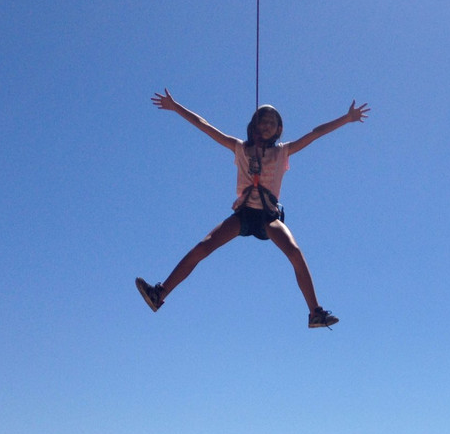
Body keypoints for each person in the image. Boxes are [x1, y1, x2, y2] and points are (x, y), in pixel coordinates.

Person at [136, 89, 369, 328]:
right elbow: (205, 126)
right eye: (262, 121)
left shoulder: (282, 152)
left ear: (279, 129)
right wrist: (175, 107)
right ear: (253, 127)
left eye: (272, 123)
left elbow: (315, 133)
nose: (266, 125)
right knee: (204, 246)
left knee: (295, 252)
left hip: (268, 217)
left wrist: (346, 118)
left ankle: (315, 312)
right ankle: (159, 293)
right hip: (244, 214)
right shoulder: (240, 148)